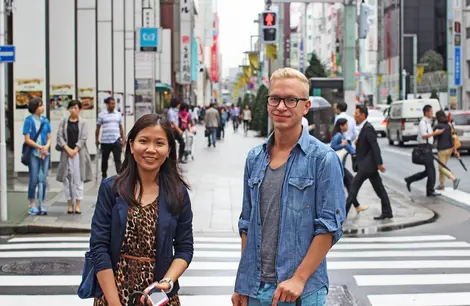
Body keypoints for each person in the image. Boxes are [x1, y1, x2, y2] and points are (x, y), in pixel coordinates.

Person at [232, 68, 345, 306]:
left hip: (300, 292)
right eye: (275, 98)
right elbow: (247, 224)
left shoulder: (323, 158)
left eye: (291, 99)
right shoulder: (255, 158)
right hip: (255, 288)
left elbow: (329, 227)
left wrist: (298, 279)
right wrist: (242, 283)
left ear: (306, 106)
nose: (281, 106)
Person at [90, 114, 194, 306]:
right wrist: (114, 303)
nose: (151, 149)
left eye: (159, 143)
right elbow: (99, 247)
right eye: (143, 141)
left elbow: (184, 248)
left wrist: (167, 282)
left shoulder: (178, 193)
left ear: (169, 149)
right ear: (131, 145)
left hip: (156, 297)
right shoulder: (111, 189)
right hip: (113, 293)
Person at [346, 105, 393, 220]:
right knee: (379, 189)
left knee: (353, 189)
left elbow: (374, 146)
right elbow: (367, 146)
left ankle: (342, 215)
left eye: (357, 113)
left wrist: (379, 163)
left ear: (362, 115)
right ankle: (387, 212)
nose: (355, 116)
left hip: (367, 166)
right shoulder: (364, 127)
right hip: (369, 166)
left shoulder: (368, 127)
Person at [56, 100, 93, 214]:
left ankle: (77, 204)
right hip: (66, 154)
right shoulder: (63, 122)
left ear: (80, 109)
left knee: (78, 179)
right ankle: (69, 204)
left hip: (78, 154)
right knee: (66, 179)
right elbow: (59, 137)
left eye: (76, 108)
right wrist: (67, 149)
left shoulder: (83, 122)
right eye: (71, 108)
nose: (73, 110)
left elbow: (83, 138)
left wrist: (75, 149)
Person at [404, 105, 444, 197]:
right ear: (426, 112)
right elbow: (423, 135)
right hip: (424, 148)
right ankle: (430, 191)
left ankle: (410, 179)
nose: (432, 113)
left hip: (428, 147)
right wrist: (435, 133)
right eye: (431, 112)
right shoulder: (423, 123)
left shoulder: (427, 123)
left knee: (428, 171)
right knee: (431, 170)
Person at [331, 118, 368, 214]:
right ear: (341, 126)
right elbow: (333, 147)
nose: (347, 127)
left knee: (350, 185)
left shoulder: (342, 135)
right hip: (339, 168)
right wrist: (342, 145)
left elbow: (350, 148)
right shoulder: (338, 136)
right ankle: (343, 210)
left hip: (340, 167)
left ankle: (357, 206)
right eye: (346, 125)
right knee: (349, 186)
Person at [23, 98, 52, 215]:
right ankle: (32, 204)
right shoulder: (28, 121)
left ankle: (42, 203)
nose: (42, 107)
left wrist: (46, 147)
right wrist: (40, 147)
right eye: (40, 106)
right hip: (34, 154)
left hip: (45, 153)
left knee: (43, 180)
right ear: (35, 108)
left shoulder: (45, 120)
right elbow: (27, 139)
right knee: (34, 178)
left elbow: (49, 137)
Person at [96, 97, 126, 179]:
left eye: (114, 103)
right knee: (104, 159)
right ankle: (104, 175)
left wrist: (123, 139)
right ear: (107, 104)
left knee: (118, 160)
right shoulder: (102, 115)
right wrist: (96, 139)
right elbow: (98, 128)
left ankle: (119, 175)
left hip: (116, 140)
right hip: (105, 141)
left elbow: (120, 127)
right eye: (111, 103)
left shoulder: (118, 114)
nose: (113, 105)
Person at [433, 110, 460, 190]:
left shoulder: (437, 127)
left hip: (442, 149)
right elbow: (452, 137)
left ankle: (454, 178)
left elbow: (433, 138)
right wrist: (455, 150)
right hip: (450, 148)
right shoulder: (449, 125)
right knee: (442, 167)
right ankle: (441, 185)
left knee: (441, 168)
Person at [167, 98, 186, 163]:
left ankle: (180, 158)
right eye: (178, 104)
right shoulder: (171, 111)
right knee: (172, 144)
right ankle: (171, 159)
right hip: (172, 130)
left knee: (182, 143)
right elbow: (173, 122)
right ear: (176, 104)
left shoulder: (176, 111)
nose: (179, 105)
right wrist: (179, 130)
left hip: (176, 130)